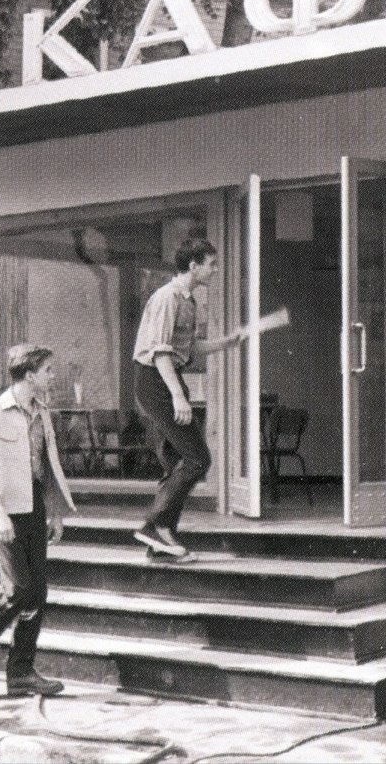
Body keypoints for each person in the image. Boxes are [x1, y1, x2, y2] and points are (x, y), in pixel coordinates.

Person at [0, 344, 76, 697]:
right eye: (48, 370)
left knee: (37, 592)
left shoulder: (42, 413)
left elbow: (46, 468)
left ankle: (21, 672)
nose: (53, 377)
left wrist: (53, 512)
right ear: (29, 374)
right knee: (18, 589)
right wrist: (0, 514)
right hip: (2, 510)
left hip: (34, 507)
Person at [132, 238, 245, 563]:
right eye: (211, 263)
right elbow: (161, 352)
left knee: (176, 461)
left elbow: (187, 347)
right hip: (155, 378)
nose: (215, 269)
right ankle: (155, 526)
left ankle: (161, 544)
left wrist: (225, 343)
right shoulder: (168, 298)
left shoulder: (188, 300)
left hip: (163, 377)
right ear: (193, 266)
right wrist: (179, 396)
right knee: (197, 459)